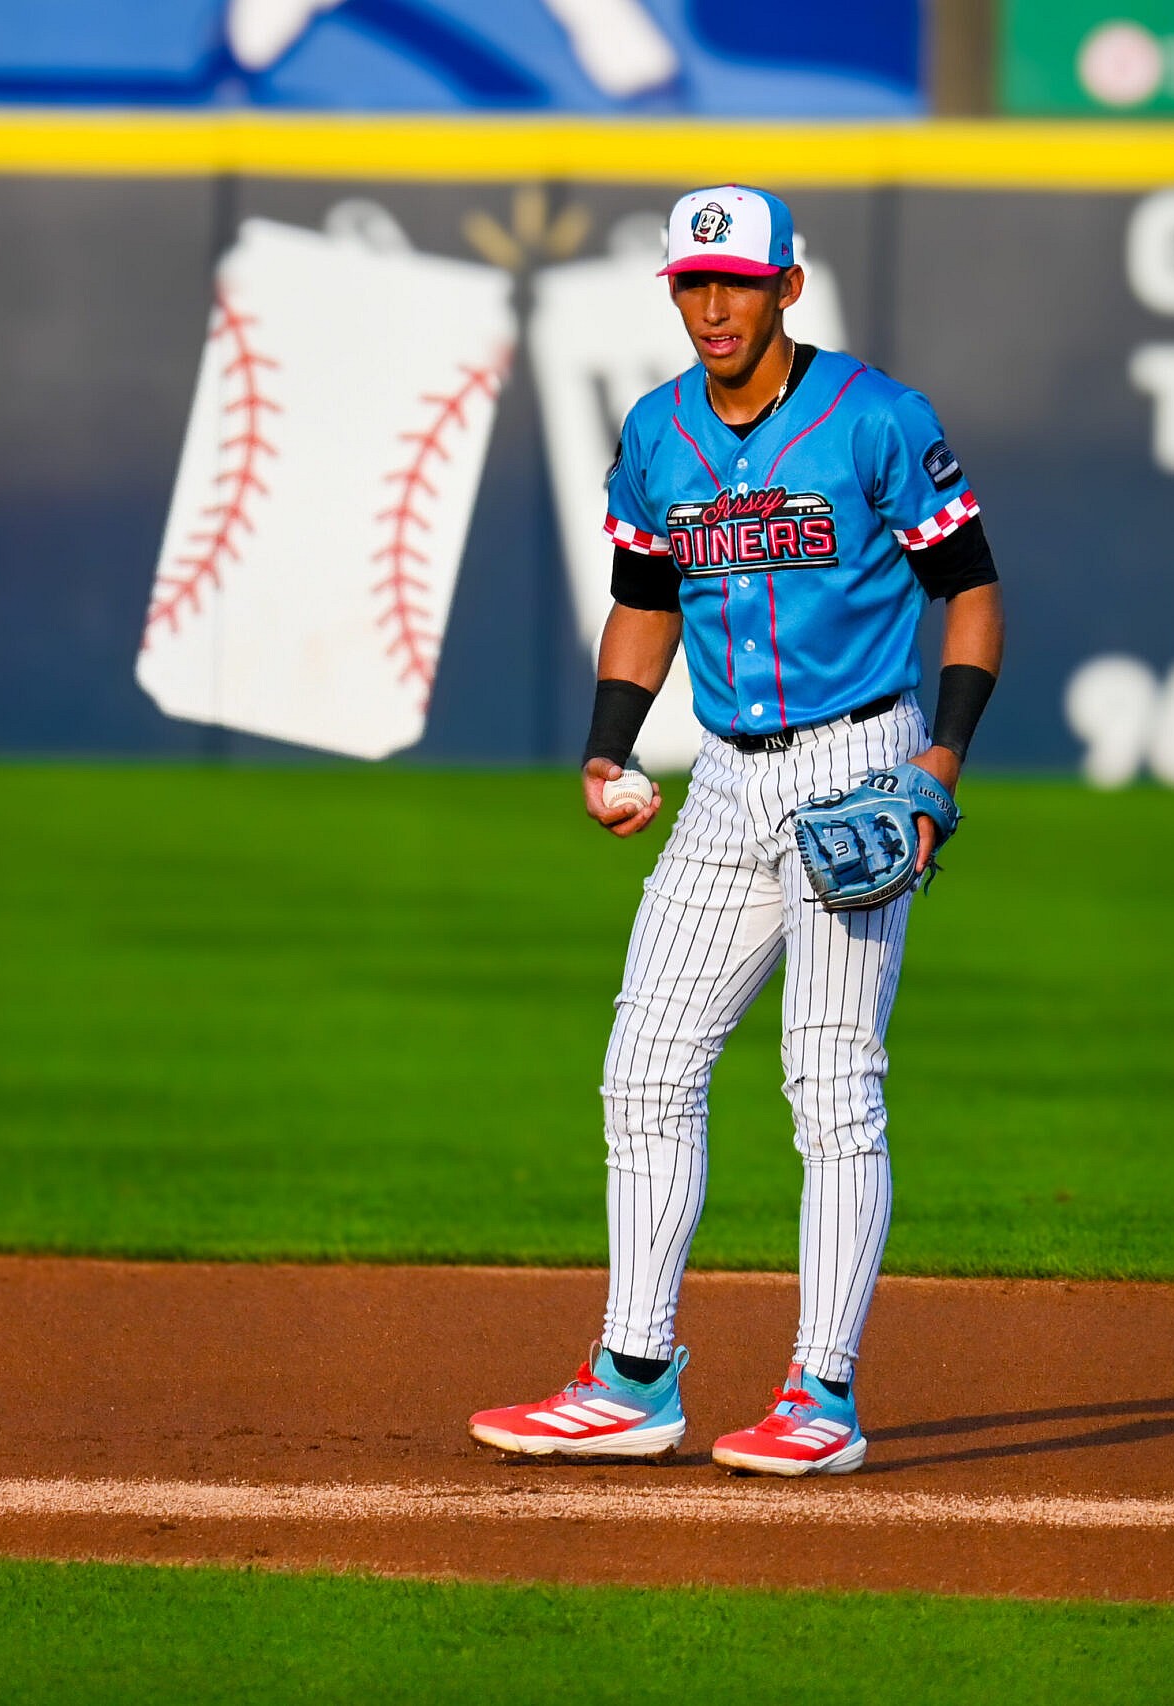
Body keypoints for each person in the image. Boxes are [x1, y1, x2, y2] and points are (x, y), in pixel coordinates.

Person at [467, 185, 1005, 1476]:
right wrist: (608, 740)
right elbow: (646, 599)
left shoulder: (876, 417)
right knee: (644, 1066)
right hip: (723, 776)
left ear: (787, 288)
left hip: (857, 761)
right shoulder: (658, 433)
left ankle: (823, 1392)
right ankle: (635, 1374)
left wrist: (937, 761)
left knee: (830, 1085)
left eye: (737, 284)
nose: (714, 307)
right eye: (693, 285)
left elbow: (971, 591)